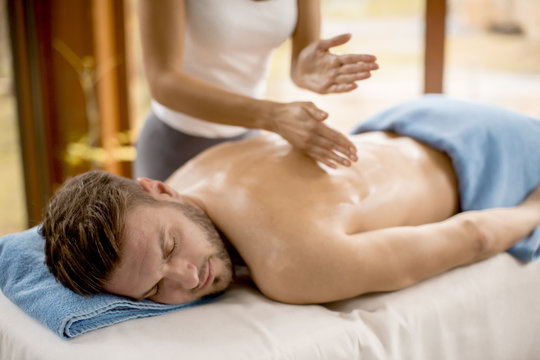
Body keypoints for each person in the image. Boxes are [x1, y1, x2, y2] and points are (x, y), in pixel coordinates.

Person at [42, 96, 540, 305]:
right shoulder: (192, 174)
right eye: (154, 291)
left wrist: (532, 210)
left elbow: (471, 236)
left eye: (171, 248)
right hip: (413, 115)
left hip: (490, 155)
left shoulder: (291, 266)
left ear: (159, 189)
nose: (188, 278)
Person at [135, 0, 379, 180]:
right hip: (175, 145)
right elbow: (163, 81)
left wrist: (311, 69)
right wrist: (273, 116)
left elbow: (301, 62)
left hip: (246, 142)